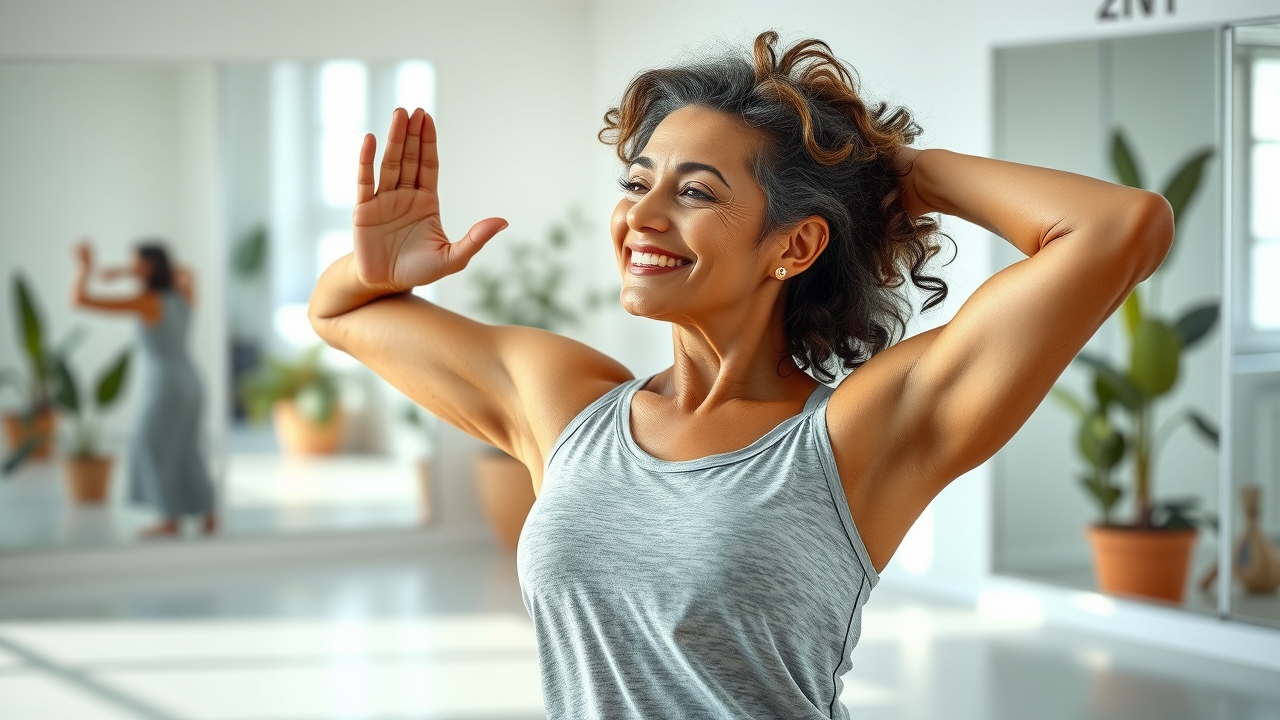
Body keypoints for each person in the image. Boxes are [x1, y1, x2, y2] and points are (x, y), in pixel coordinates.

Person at [308, 32, 1172, 719]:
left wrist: (893, 172)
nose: (641, 216)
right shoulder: (567, 403)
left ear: (793, 246)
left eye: (695, 193)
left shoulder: (856, 437)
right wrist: (378, 268)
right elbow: (341, 313)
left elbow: (1119, 226)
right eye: (638, 181)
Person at [72, 240, 216, 538]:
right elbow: (188, 272)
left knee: (153, 448)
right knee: (187, 450)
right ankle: (208, 513)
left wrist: (84, 268)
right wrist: (135, 270)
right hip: (192, 381)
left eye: (136, 262)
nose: (131, 268)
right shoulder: (181, 295)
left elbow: (80, 300)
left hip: (166, 385)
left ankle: (169, 519)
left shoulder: (148, 301)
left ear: (149, 266)